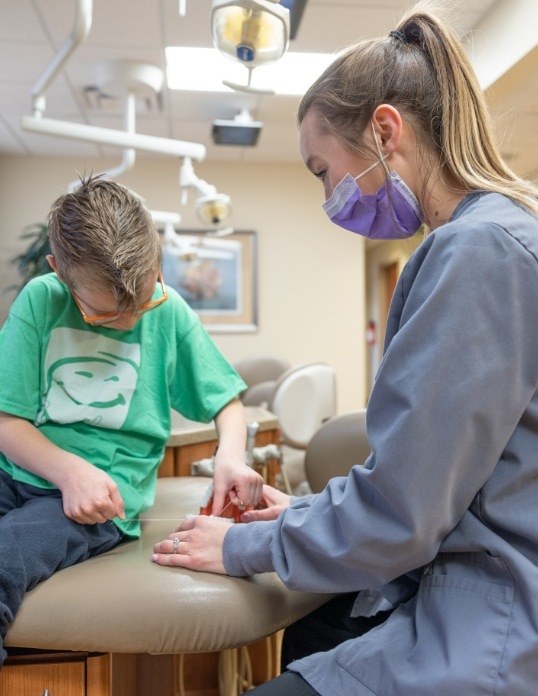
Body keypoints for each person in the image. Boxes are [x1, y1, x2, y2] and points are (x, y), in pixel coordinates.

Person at [152, 1, 538, 693]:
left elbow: (405, 512)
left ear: (385, 131)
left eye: (322, 171)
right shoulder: (482, 244)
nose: (330, 197)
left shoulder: (478, 253)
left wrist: (243, 544)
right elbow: (442, 477)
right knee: (311, 634)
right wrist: (299, 514)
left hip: (496, 626)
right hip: (466, 581)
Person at [0, 175, 263, 666]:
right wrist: (68, 469)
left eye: (142, 304)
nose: (129, 321)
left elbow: (227, 403)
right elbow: (7, 420)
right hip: (19, 468)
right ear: (59, 271)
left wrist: (230, 456)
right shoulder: (40, 299)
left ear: (157, 259)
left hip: (102, 498)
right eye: (104, 316)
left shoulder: (172, 313)